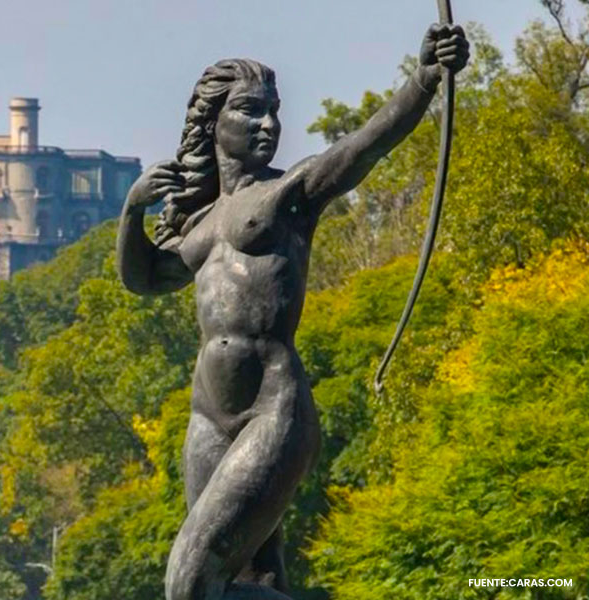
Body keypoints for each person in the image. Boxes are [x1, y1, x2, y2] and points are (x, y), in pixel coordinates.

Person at [116, 23, 469, 600]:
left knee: (190, 582)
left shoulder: (290, 194)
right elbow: (146, 279)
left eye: (274, 112)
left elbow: (363, 146)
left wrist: (424, 79)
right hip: (208, 417)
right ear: (214, 124)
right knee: (250, 579)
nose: (269, 125)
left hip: (272, 409)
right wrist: (132, 212)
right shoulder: (199, 220)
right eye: (251, 111)